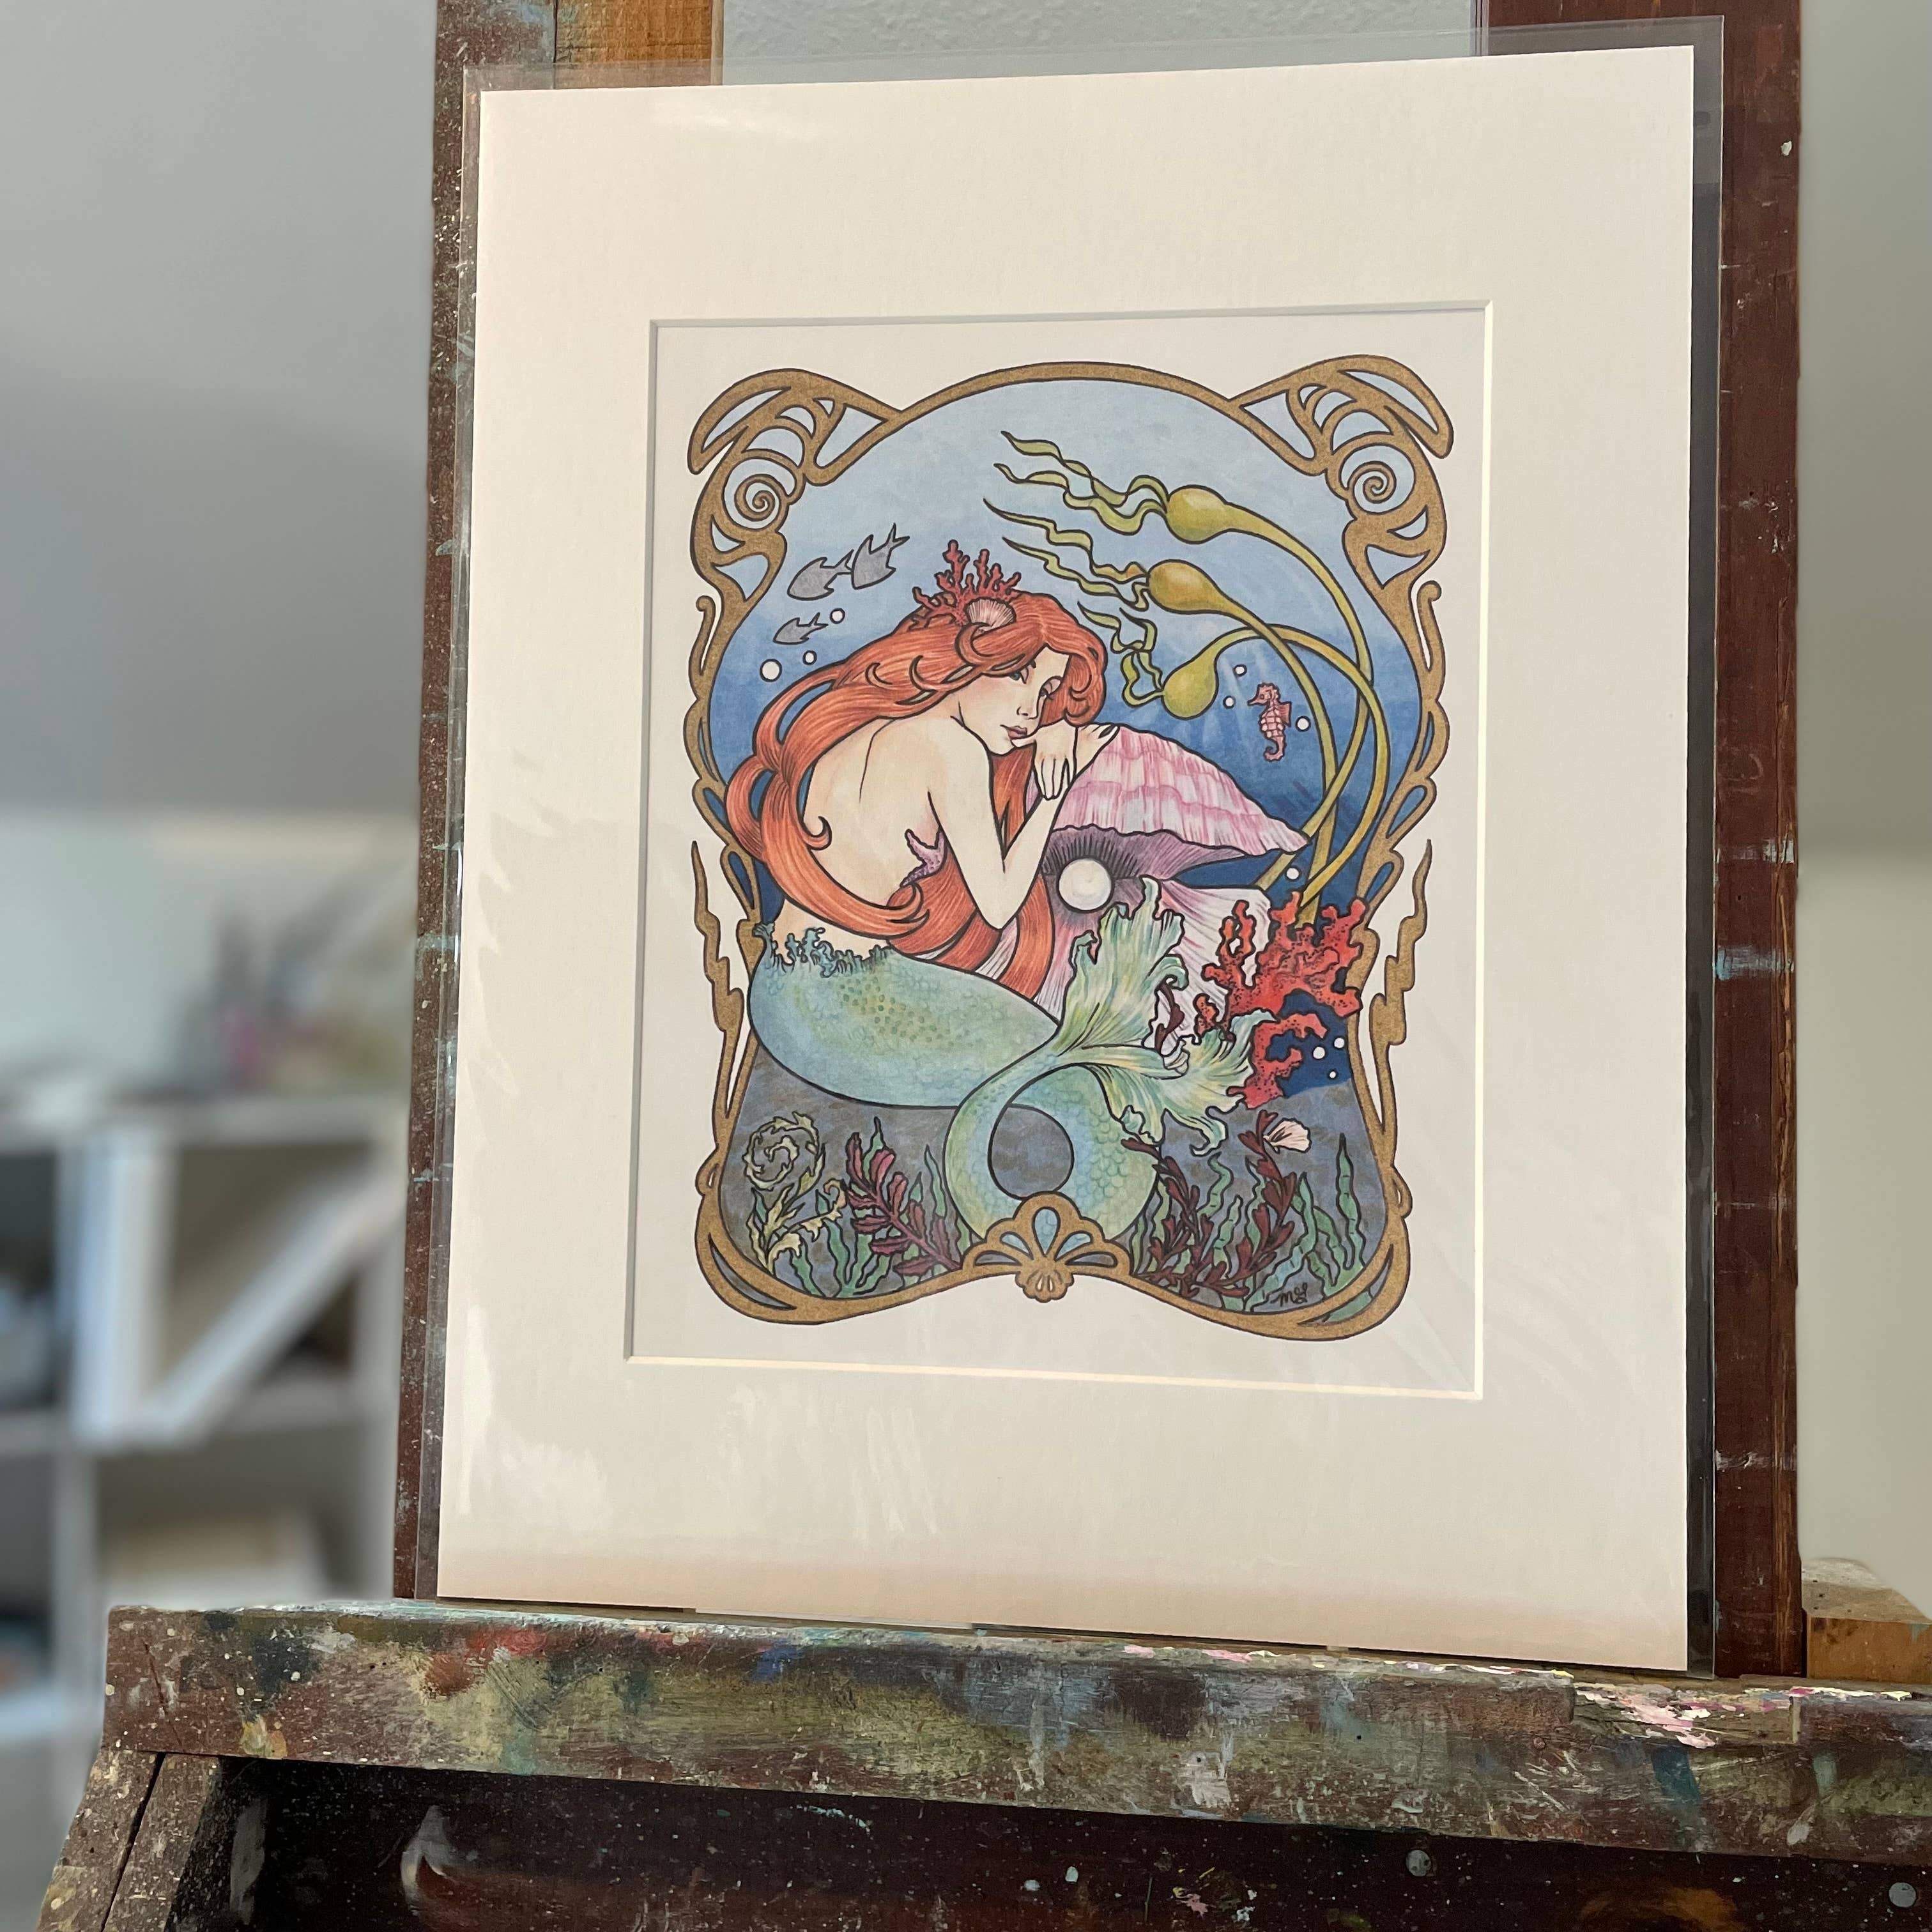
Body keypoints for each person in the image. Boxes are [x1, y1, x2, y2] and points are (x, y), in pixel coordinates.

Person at [724, 542, 1149, 1236]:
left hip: (783, 990)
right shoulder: (951, 750)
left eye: (1046, 694)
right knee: (1077, 1077)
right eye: (1019, 677)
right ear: (971, 661)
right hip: (842, 1009)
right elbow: (1000, 903)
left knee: (1058, 1066)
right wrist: (1053, 794)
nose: (1031, 712)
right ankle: (1032, 1221)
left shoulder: (867, 727)